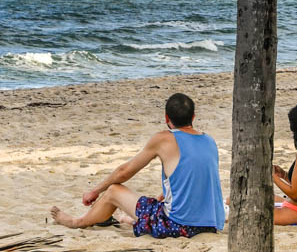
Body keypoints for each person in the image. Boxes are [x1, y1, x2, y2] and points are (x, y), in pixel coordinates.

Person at [50, 91, 225, 239]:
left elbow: (124, 172)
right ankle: (127, 220)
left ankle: (77, 222)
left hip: (178, 226)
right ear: (193, 117)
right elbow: (190, 180)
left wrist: (95, 191)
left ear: (166, 118)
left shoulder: (164, 138)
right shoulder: (209, 141)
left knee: (113, 191)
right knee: (153, 203)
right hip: (209, 226)